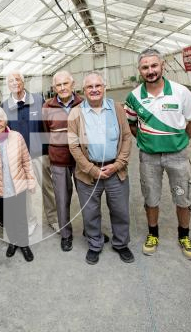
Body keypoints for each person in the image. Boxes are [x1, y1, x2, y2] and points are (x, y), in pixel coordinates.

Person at [124, 48, 191, 260]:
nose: (150, 71)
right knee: (151, 197)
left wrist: (181, 140)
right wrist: (145, 140)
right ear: (140, 70)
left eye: (154, 65)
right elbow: (131, 124)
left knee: (182, 197)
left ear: (162, 65)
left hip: (177, 156)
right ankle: (153, 234)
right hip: (148, 158)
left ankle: (184, 236)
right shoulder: (133, 97)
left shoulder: (180, 91)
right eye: (145, 67)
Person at [68, 71, 134, 265]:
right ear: (84, 90)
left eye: (98, 86)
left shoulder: (117, 108)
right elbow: (73, 146)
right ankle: (95, 244)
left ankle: (121, 244)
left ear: (104, 88)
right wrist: (92, 170)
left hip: (116, 170)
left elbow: (127, 137)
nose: (94, 90)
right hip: (88, 174)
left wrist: (118, 164)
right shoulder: (75, 113)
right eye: (90, 87)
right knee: (90, 212)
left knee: (120, 210)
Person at [2, 71, 58, 235]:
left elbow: (47, 125)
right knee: (25, 192)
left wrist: (49, 150)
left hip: (40, 154)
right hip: (19, 159)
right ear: (8, 85)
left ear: (23, 82)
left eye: (17, 79)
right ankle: (31, 221)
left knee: (47, 188)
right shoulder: (5, 106)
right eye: (11, 80)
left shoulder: (38, 100)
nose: (15, 83)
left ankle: (53, 219)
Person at [0, 107, 36, 262]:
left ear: (5, 121)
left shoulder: (17, 137)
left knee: (20, 217)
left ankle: (24, 244)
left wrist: (31, 180)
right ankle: (13, 242)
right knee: (7, 218)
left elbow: (26, 160)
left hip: (17, 184)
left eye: (0, 120)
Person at [42, 71, 83, 252]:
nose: (63, 88)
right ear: (54, 88)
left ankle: (91, 230)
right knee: (61, 199)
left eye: (66, 84)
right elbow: (45, 132)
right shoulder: (47, 107)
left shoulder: (83, 103)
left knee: (88, 198)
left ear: (73, 84)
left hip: (82, 160)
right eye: (58, 85)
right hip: (59, 161)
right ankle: (66, 235)